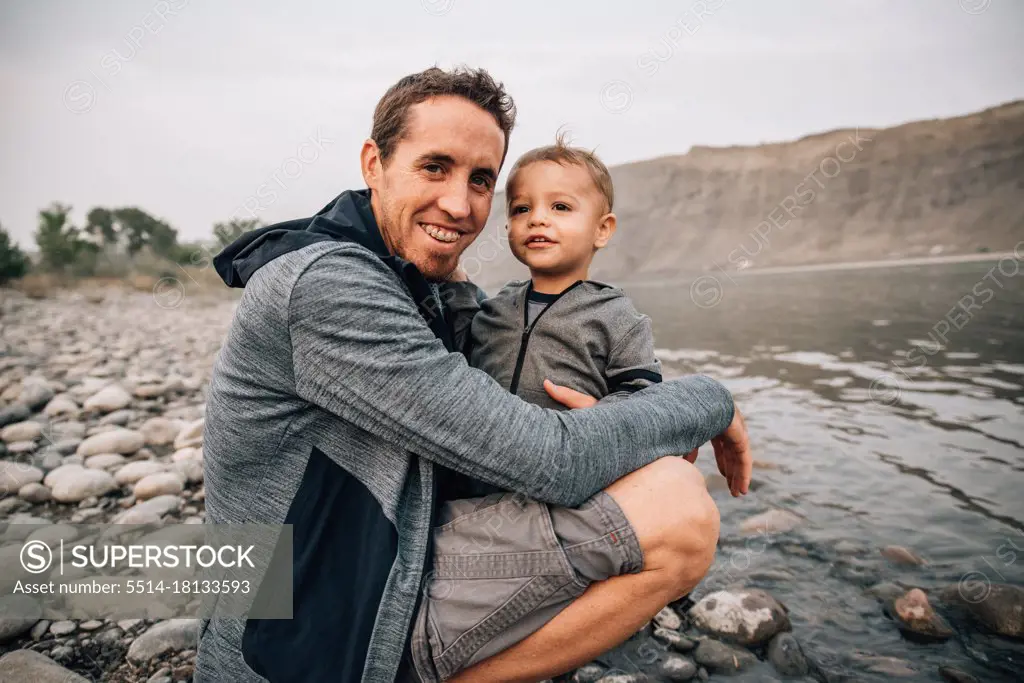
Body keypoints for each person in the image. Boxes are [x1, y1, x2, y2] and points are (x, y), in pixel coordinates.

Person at [198, 66, 751, 683]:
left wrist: (622, 417)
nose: (459, 205)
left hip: (361, 572)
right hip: (307, 638)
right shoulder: (329, 287)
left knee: (637, 468)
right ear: (373, 163)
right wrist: (711, 399)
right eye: (434, 167)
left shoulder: (417, 283)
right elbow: (552, 459)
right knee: (679, 510)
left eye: (481, 180)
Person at [411, 136, 695, 681]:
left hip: (567, 490)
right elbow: (454, 349)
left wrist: (604, 413)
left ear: (602, 229)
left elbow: (645, 403)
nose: (538, 219)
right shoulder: (493, 311)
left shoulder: (615, 316)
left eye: (560, 208)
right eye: (522, 209)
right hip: (477, 489)